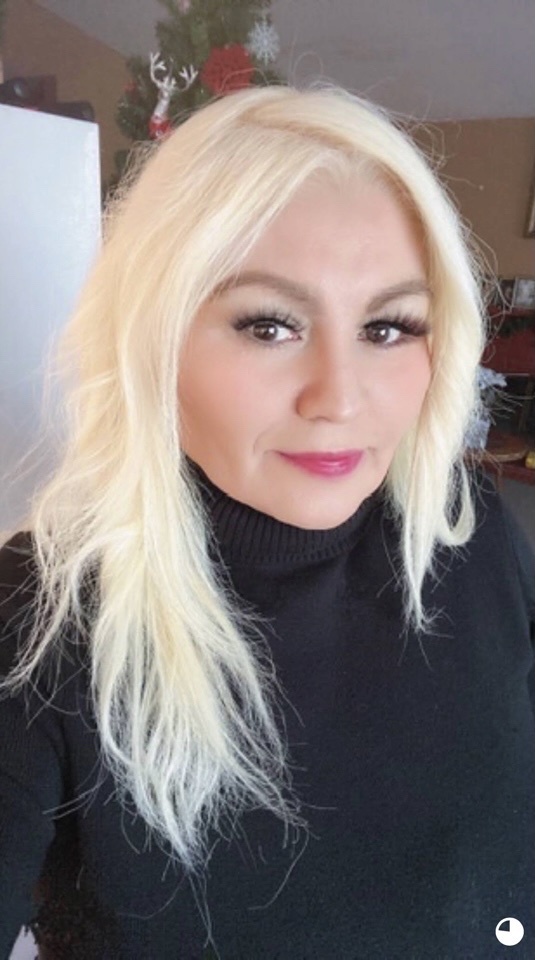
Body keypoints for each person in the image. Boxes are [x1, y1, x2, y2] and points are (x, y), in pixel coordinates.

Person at [0, 83, 533, 960]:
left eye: (389, 327)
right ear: (154, 337)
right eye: (269, 325)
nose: (339, 399)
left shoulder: (468, 535)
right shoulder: (43, 609)